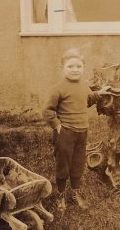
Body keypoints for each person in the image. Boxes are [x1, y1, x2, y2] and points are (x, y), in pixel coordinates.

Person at [42, 48, 110, 212]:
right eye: (70, 66)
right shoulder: (58, 88)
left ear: (83, 68)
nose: (74, 70)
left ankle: (75, 193)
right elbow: (47, 111)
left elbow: (87, 100)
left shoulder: (83, 86)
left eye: (78, 66)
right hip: (65, 133)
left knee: (78, 163)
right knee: (63, 164)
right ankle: (61, 194)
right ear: (62, 68)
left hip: (82, 132)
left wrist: (99, 93)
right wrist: (58, 126)